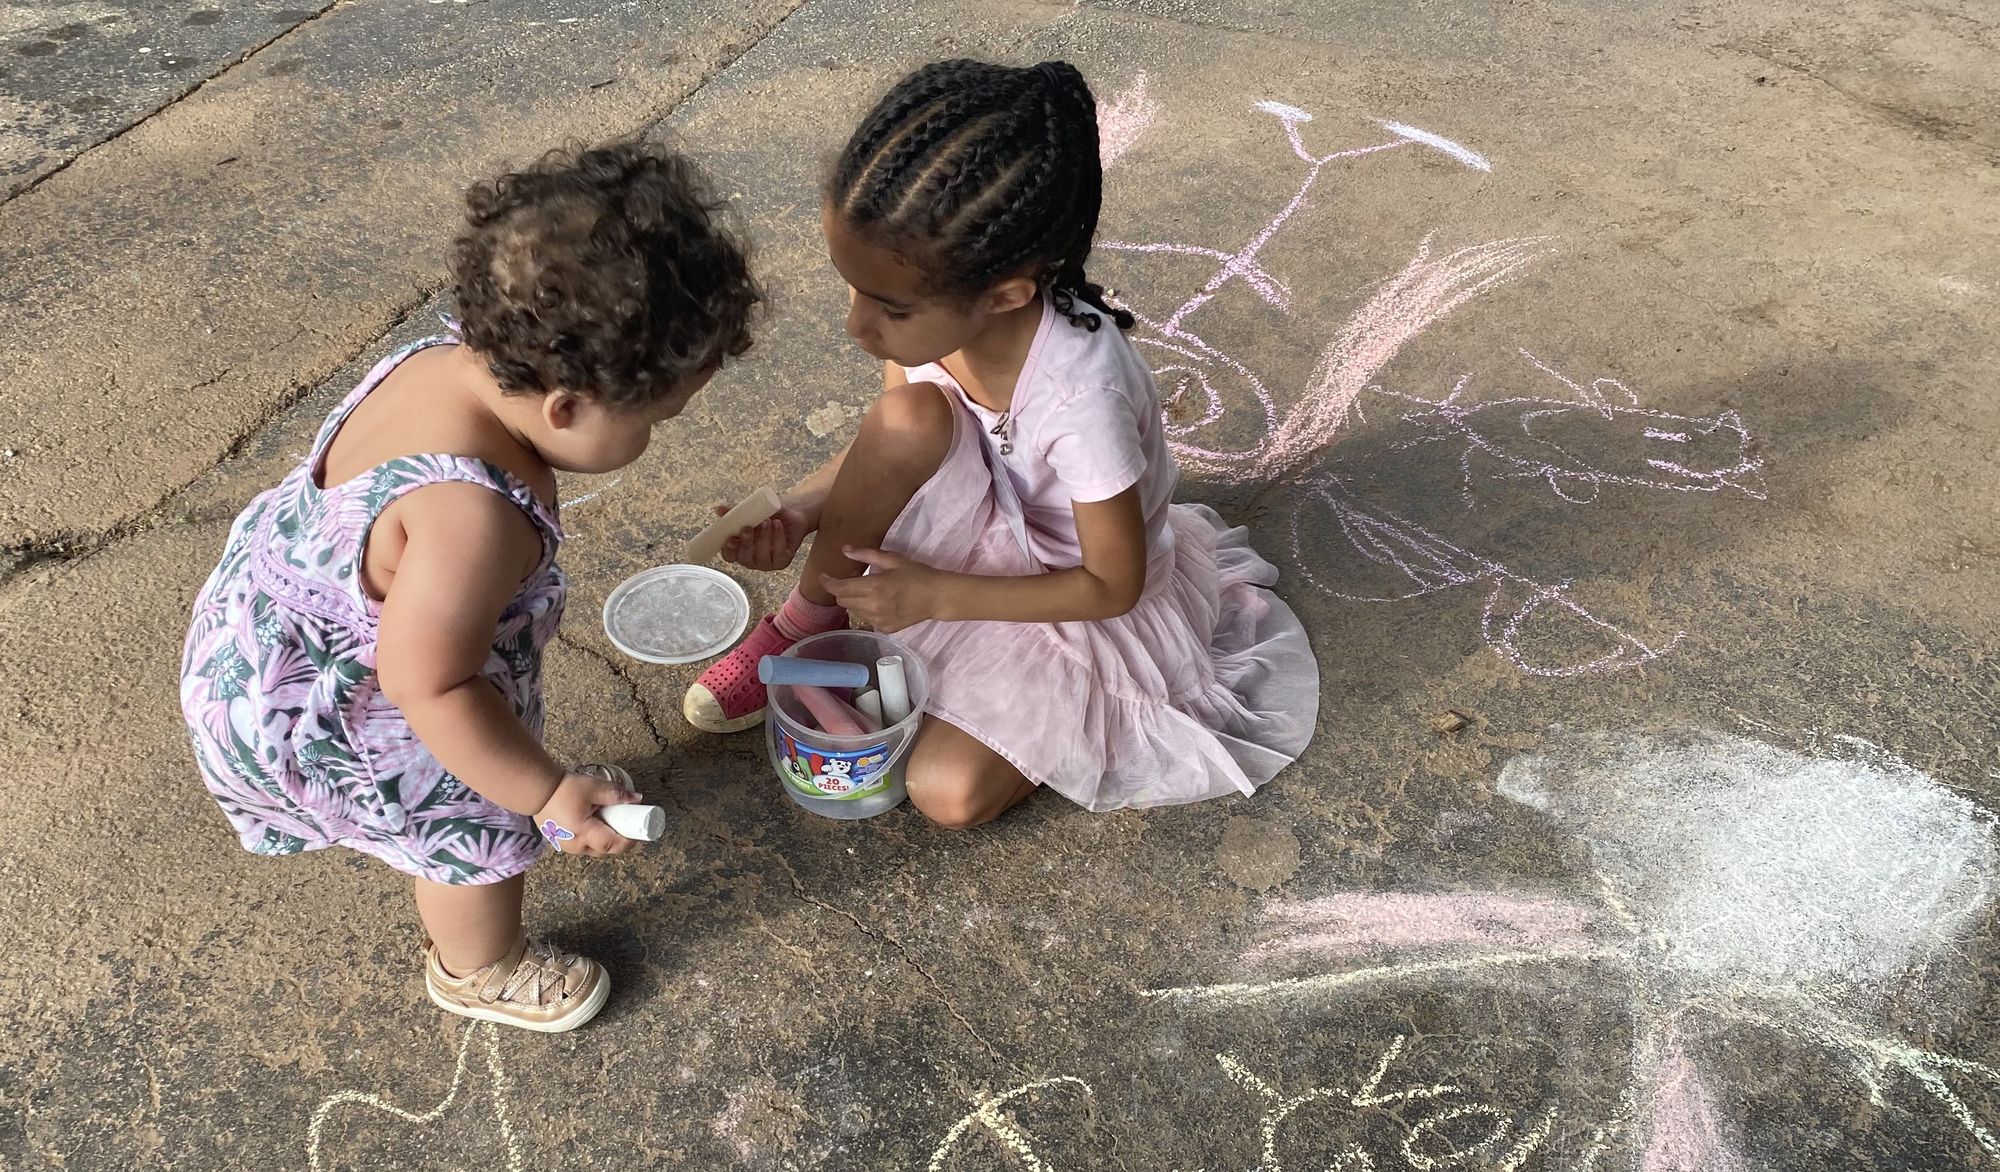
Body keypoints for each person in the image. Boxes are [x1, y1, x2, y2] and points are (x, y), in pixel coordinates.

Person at [181, 141, 760, 1031]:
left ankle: (520, 796)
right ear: (566, 408)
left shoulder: (446, 362)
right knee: (471, 835)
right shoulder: (471, 516)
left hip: (276, 627)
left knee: (495, 771)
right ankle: (476, 966)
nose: (659, 437)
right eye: (657, 419)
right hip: (362, 702)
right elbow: (430, 685)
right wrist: (542, 795)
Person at [684, 60, 1319, 827]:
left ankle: (1039, 716)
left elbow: (1112, 585)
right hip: (976, 523)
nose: (858, 326)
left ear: (1008, 293)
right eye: (851, 289)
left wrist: (935, 596)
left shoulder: (1083, 397)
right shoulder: (933, 314)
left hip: (1074, 594)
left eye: (885, 306)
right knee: (907, 416)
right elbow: (890, 450)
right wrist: (803, 508)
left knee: (945, 793)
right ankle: (801, 626)